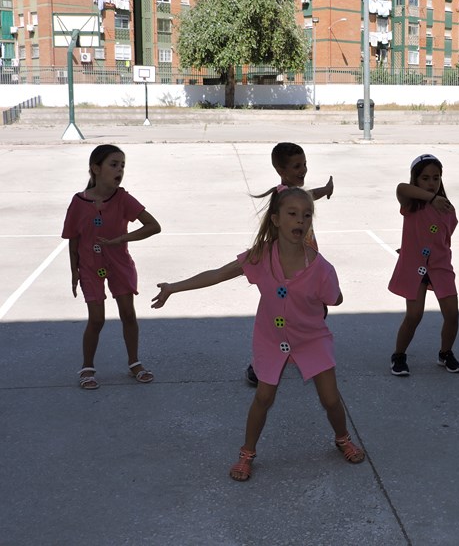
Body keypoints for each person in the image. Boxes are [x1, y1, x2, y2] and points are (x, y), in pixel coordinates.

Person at [151, 186, 364, 481]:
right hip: (271, 338)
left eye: (306, 215)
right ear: (276, 219)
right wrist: (173, 287)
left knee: (330, 399)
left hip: (311, 337)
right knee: (263, 397)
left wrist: (330, 293)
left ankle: (342, 438)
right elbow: (219, 273)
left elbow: (336, 299)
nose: (300, 220)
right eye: (292, 213)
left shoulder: (321, 267)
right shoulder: (261, 255)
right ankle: (247, 453)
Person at [62, 144, 161, 390]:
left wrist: (122, 239)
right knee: (96, 319)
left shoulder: (123, 199)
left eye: (122, 166)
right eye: (114, 165)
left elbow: (153, 226)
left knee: (128, 314)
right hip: (90, 266)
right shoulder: (78, 202)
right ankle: (87, 367)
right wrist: (74, 271)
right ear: (96, 169)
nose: (120, 170)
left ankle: (134, 362)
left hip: (119, 264)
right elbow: (73, 238)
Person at [245, 142, 333, 387]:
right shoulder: (283, 196)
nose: (303, 170)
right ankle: (261, 364)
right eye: (296, 166)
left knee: (306, 314)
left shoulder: (294, 194)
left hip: (305, 267)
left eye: (304, 164)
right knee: (285, 317)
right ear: (280, 170)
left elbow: (310, 196)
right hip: (290, 269)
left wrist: (326, 189)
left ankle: (298, 354)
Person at [388, 154, 459, 376]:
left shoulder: (447, 209)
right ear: (416, 179)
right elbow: (401, 188)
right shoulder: (411, 204)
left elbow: (444, 238)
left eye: (436, 178)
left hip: (440, 266)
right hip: (415, 267)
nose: (431, 183)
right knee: (414, 315)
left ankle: (445, 353)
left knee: (452, 314)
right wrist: (430, 199)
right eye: (425, 178)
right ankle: (399, 355)